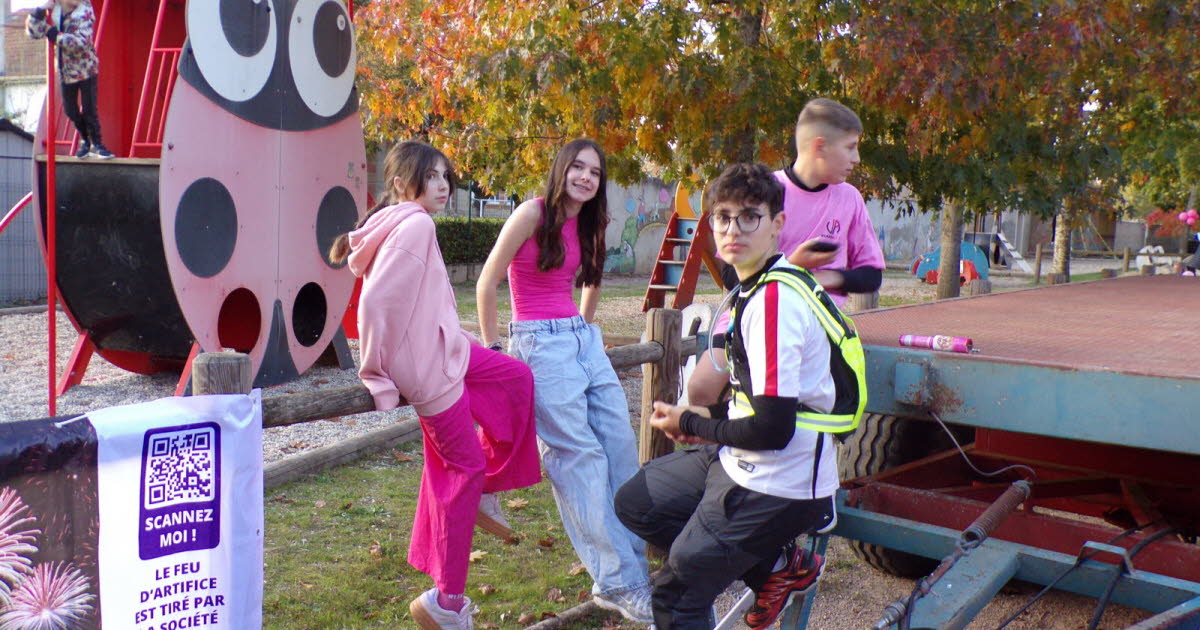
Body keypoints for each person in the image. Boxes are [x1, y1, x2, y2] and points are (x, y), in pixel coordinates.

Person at [615, 163, 847, 630]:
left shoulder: (774, 303)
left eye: (749, 217)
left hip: (780, 481)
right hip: (746, 457)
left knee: (675, 593)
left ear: (777, 225)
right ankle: (776, 569)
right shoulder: (754, 287)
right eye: (722, 217)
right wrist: (703, 413)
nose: (732, 229)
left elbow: (774, 428)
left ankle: (736, 572)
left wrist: (693, 425)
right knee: (638, 502)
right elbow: (762, 401)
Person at [330, 141, 541, 630]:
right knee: (459, 471)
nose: (445, 186)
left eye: (447, 176)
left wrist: (459, 334)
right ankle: (447, 602)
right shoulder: (416, 224)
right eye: (434, 177)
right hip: (429, 373)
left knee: (515, 377)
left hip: (448, 350)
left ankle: (489, 483)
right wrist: (375, 373)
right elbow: (377, 306)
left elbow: (422, 301)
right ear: (404, 185)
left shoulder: (405, 223)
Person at [476, 139, 653, 624]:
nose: (585, 177)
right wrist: (495, 354)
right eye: (577, 167)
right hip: (538, 342)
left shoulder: (591, 221)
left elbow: (591, 279)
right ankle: (617, 580)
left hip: (580, 340)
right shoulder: (531, 214)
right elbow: (486, 282)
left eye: (594, 172)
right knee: (580, 458)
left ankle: (634, 570)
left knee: (619, 445)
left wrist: (585, 328)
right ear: (561, 170)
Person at [687, 98, 884, 406]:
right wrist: (793, 268)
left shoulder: (850, 199)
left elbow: (871, 277)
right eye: (850, 147)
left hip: (814, 324)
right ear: (819, 146)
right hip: (749, 312)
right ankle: (727, 450)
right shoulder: (763, 190)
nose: (857, 158)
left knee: (779, 405)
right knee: (699, 392)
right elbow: (730, 275)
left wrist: (818, 278)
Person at [26, 0, 113, 159]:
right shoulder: (55, 12)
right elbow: (34, 33)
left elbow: (81, 42)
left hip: (86, 68)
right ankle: (86, 141)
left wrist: (54, 34)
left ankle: (98, 144)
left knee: (89, 109)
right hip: (66, 70)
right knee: (70, 110)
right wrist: (39, 11)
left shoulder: (85, 11)